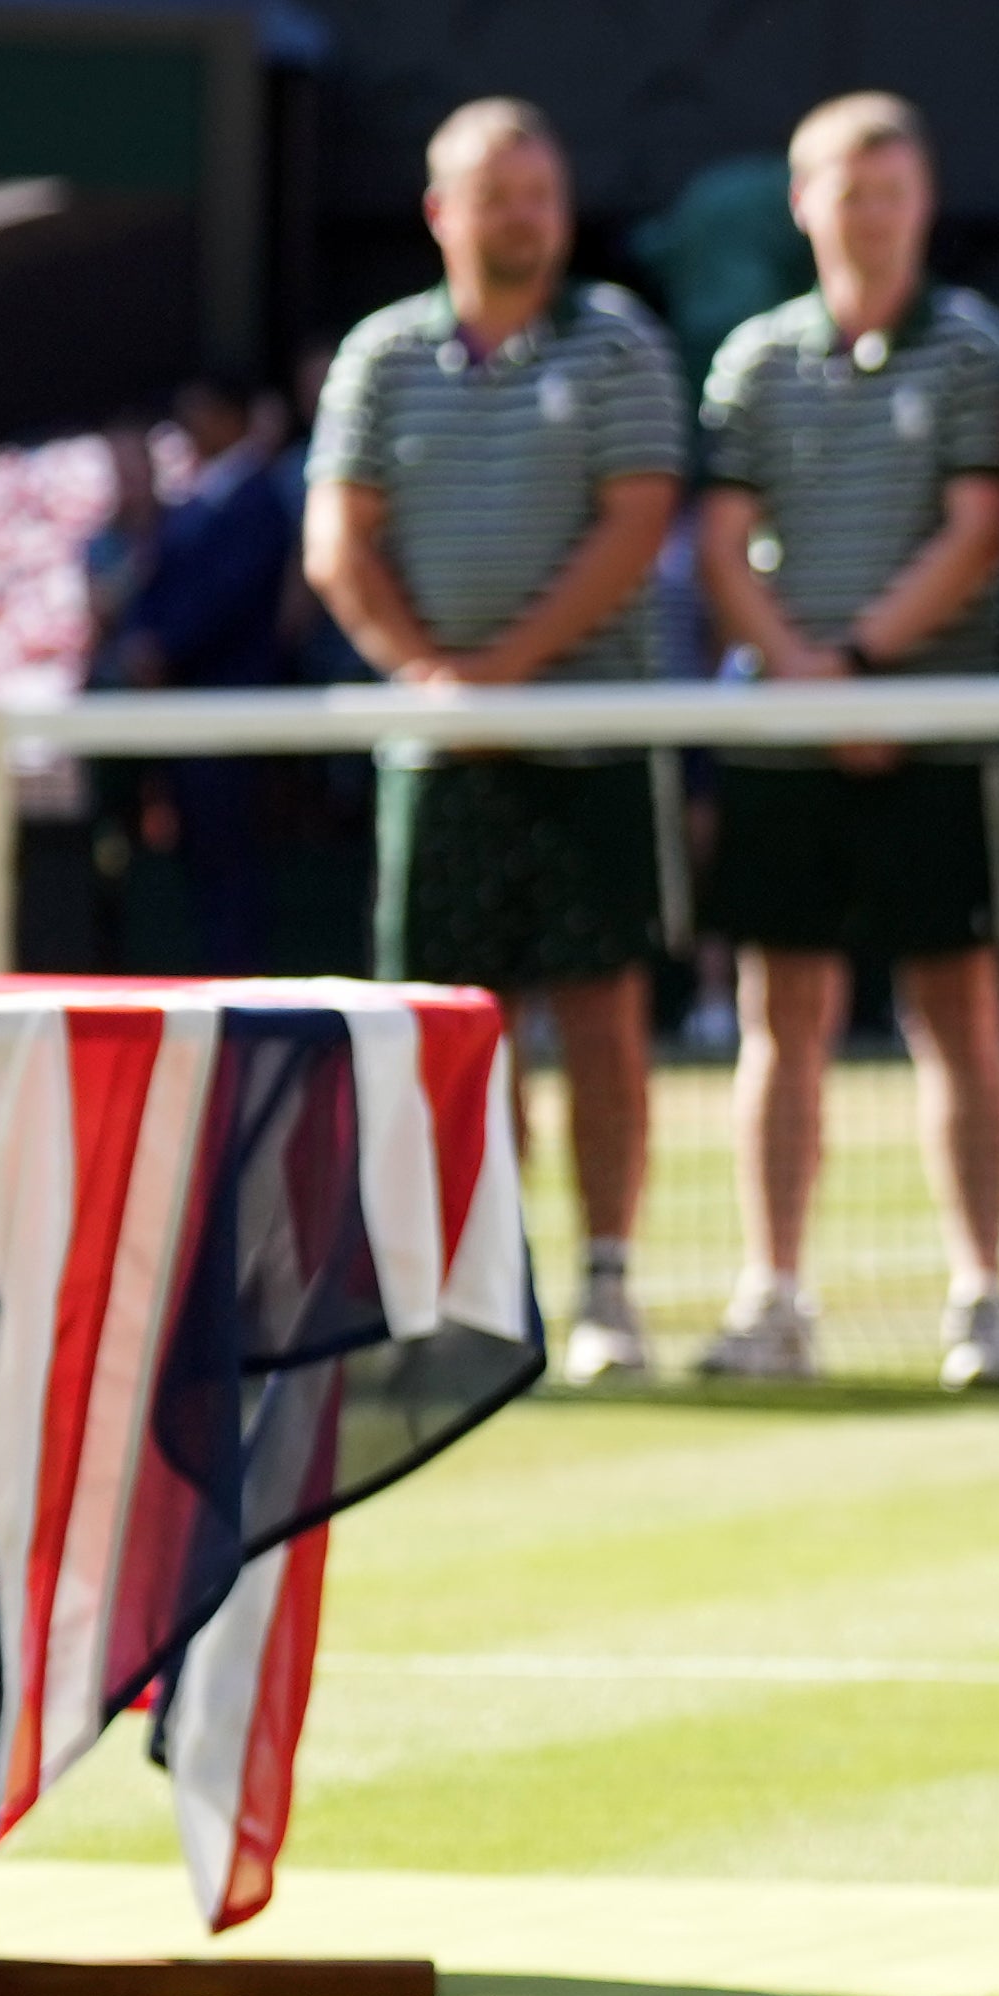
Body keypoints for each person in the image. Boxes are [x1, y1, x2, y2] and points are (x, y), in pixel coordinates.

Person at [307, 98, 693, 1388]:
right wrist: (431, 676)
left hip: (588, 747)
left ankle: (606, 1288)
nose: (523, 216)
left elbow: (636, 519)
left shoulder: (621, 341)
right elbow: (338, 541)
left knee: (601, 1022)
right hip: (435, 757)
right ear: (442, 211)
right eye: (497, 193)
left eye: (540, 191)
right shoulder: (382, 355)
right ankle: (468, 1291)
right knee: (450, 1035)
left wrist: (502, 673)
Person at [688, 92, 999, 1396]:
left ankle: (982, 1298)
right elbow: (724, 545)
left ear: (922, 205)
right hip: (791, 742)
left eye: (893, 192)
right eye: (849, 191)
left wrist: (870, 669)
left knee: (961, 1016)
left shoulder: (971, 352)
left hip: (934, 733)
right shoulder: (757, 362)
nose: (873, 216)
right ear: (806, 203)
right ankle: (773, 1289)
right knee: (785, 1018)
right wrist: (806, 679)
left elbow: (974, 527)